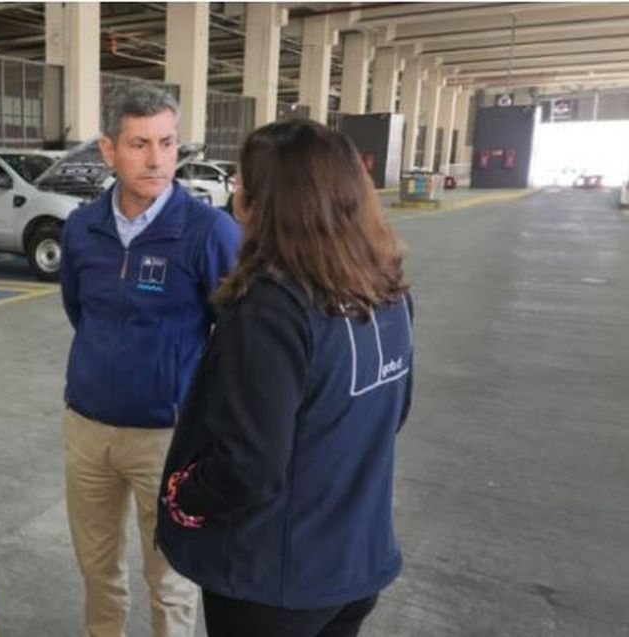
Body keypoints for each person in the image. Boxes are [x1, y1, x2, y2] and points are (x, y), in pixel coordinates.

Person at [156, 119, 414, 637]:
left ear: (266, 205)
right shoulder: (388, 295)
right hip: (354, 565)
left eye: (242, 185)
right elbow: (393, 414)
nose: (236, 198)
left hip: (273, 583)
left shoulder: (271, 310)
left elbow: (247, 466)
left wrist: (184, 496)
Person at [59, 83, 241, 637]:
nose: (157, 159)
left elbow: (233, 339)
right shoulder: (81, 229)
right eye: (139, 144)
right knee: (97, 570)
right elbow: (79, 311)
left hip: (167, 438)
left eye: (167, 142)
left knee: (170, 579)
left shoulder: (209, 233)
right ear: (108, 151)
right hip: (87, 430)